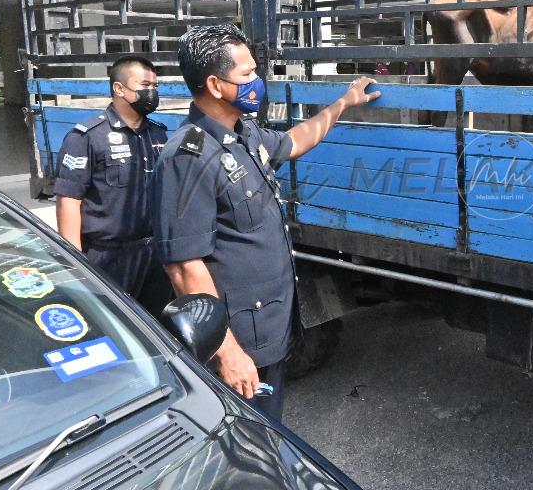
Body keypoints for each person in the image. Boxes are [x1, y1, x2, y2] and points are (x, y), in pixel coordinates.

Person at [151, 24, 379, 422]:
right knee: (241, 444)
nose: (257, 82)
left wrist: (343, 103)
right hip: (239, 346)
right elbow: (185, 267)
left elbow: (294, 142)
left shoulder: (243, 132)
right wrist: (229, 353)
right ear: (215, 84)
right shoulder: (187, 158)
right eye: (246, 74)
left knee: (267, 433)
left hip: (265, 333)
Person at [54, 56, 172, 314]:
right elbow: (69, 201)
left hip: (154, 255)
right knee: (113, 322)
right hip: (109, 257)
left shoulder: (158, 133)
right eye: (144, 85)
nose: (151, 92)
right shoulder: (87, 137)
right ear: (119, 89)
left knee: (159, 327)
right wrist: (75, 263)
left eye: (155, 86)